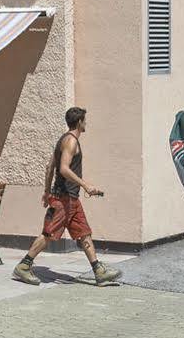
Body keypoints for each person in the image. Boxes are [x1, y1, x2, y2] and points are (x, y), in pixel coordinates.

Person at [14, 106, 121, 286]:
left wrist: (47, 191)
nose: (86, 123)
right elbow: (63, 168)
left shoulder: (62, 140)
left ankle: (99, 271)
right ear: (79, 122)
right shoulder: (71, 142)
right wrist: (85, 185)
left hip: (71, 199)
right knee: (48, 234)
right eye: (85, 120)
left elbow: (50, 167)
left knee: (84, 232)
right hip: (63, 199)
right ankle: (24, 266)